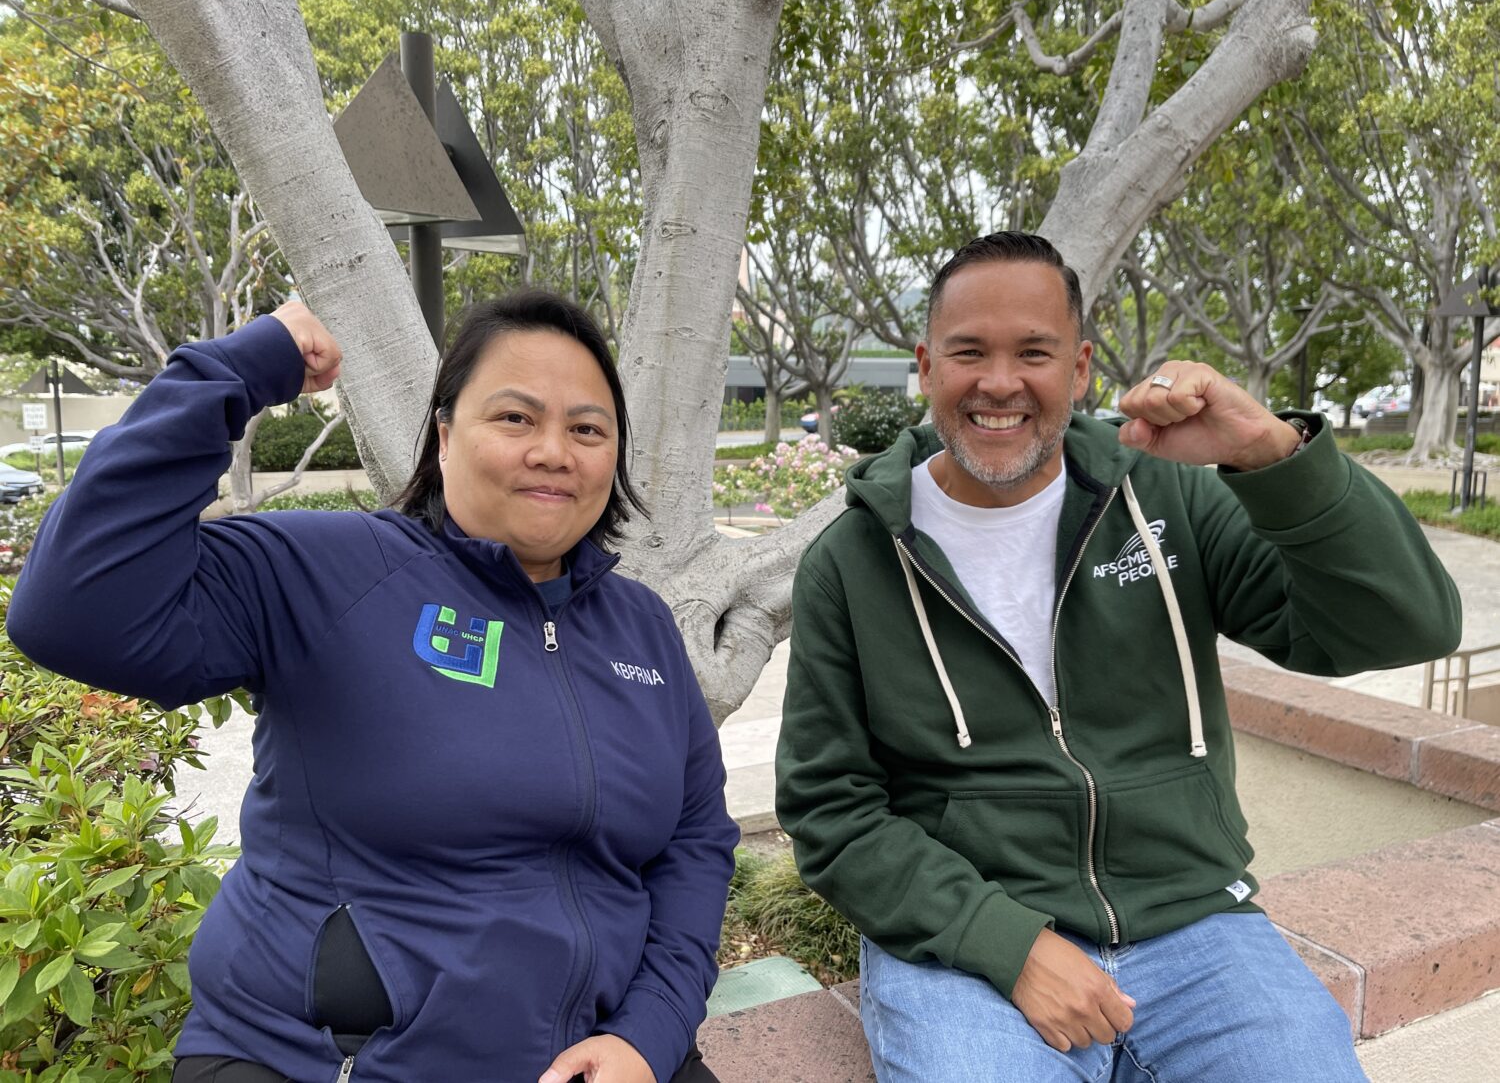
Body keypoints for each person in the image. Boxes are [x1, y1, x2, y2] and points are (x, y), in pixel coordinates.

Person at [774, 232, 1462, 1082]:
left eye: (1034, 352)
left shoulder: (1169, 497)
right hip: (966, 947)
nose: (999, 382)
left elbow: (1409, 625)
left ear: (1081, 368)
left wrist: (1271, 455)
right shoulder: (851, 561)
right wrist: (1006, 942)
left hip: (1193, 920)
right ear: (925, 366)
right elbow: (830, 808)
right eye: (968, 352)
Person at [8, 292, 738, 1083]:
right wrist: (241, 368)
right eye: (515, 418)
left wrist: (648, 1034)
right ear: (445, 436)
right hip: (324, 1063)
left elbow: (695, 840)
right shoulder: (328, 571)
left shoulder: (642, 626)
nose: (554, 451)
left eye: (588, 429)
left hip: (605, 1056)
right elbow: (71, 608)